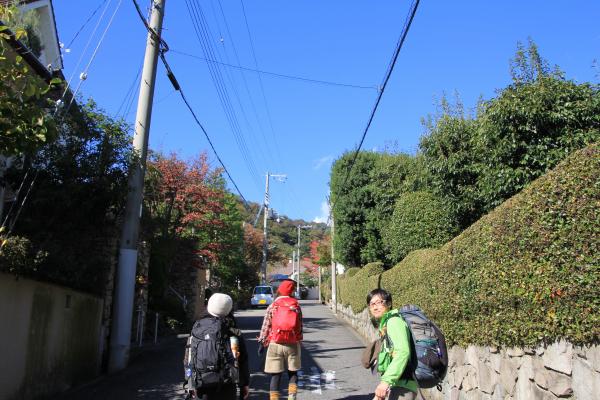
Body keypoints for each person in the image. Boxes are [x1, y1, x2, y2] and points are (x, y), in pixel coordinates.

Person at [184, 293, 250, 400]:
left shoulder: (197, 328)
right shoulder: (232, 331)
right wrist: (244, 384)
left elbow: (189, 359)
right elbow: (241, 359)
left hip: (202, 383)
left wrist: (190, 383)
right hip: (228, 383)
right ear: (228, 309)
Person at [367, 288, 417, 400]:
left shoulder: (394, 322)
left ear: (389, 304)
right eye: (372, 304)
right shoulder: (386, 324)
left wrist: (385, 382)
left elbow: (402, 352)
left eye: (379, 302)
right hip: (395, 384)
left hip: (403, 386)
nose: (375, 307)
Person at [258, 279, 303, 400]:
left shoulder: (273, 305)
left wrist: (262, 341)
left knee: (275, 375)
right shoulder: (296, 306)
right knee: (293, 373)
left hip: (275, 343)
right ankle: (292, 397)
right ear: (292, 292)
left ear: (279, 290)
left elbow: (266, 326)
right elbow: (299, 326)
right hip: (292, 343)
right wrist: (299, 339)